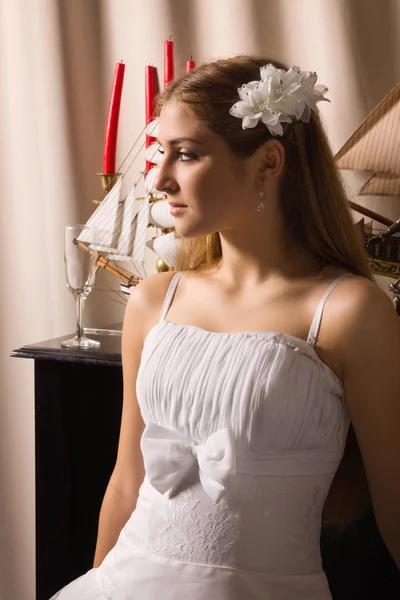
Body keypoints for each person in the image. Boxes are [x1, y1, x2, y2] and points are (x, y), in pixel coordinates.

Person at [51, 55, 400, 600]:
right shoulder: (153, 300)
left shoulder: (349, 311)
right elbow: (125, 483)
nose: (160, 178)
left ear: (267, 162)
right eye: (157, 153)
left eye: (185, 154)